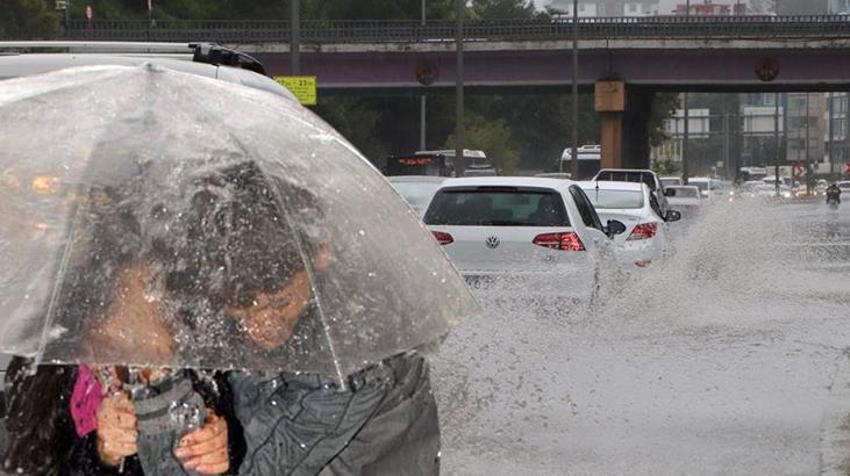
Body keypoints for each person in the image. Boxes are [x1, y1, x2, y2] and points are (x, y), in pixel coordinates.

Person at [171, 162, 441, 475]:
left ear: (320, 254)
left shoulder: (357, 350)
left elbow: (266, 466)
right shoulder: (211, 303)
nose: (261, 323)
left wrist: (218, 446)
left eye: (280, 302)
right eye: (240, 306)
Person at [3, 184, 239, 475]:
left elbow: (214, 450)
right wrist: (103, 454)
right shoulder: (46, 374)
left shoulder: (195, 372)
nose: (142, 340)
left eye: (159, 317)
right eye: (125, 320)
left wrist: (219, 451)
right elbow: (28, 466)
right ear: (92, 318)